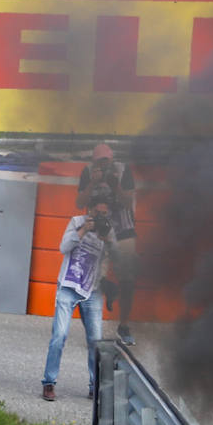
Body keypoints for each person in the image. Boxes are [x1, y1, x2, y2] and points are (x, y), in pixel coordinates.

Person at [40, 189, 116, 401]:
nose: (101, 217)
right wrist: (84, 230)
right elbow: (63, 247)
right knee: (60, 335)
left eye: (105, 213)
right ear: (90, 210)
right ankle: (49, 382)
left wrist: (108, 240)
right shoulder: (76, 222)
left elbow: (116, 261)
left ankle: (95, 385)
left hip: (93, 291)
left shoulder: (109, 229)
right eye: (98, 213)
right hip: (68, 286)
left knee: (95, 340)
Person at [77, 143, 139, 346]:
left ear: (112, 159)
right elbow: (79, 202)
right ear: (94, 161)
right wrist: (91, 184)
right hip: (97, 230)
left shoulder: (123, 171)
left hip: (122, 230)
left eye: (106, 161)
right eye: (99, 162)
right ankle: (92, 329)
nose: (103, 166)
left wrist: (115, 185)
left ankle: (125, 325)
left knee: (128, 279)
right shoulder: (87, 173)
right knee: (90, 279)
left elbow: (129, 203)